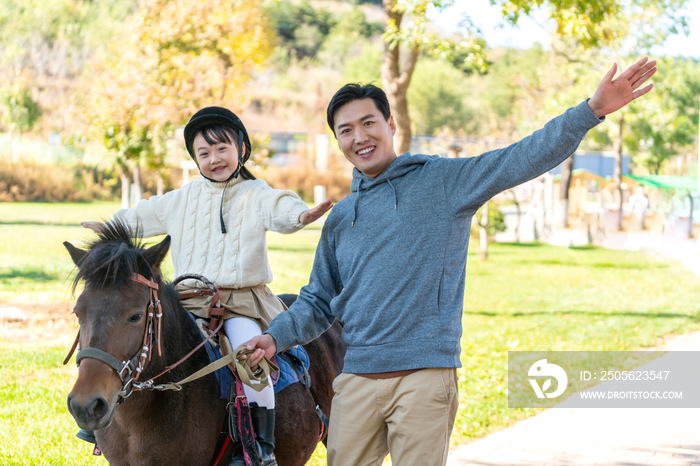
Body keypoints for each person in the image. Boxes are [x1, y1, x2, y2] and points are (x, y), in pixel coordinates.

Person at [241, 57, 657, 465]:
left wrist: (591, 112)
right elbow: (316, 300)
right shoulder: (342, 217)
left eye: (369, 122)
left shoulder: (442, 182)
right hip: (357, 379)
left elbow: (519, 158)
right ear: (339, 142)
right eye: (345, 130)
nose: (359, 137)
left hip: (424, 377)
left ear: (391, 125)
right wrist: (276, 337)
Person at [81, 106, 332, 466]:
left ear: (241, 148)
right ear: (195, 159)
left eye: (222, 149)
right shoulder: (182, 198)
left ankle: (260, 446)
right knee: (137, 347)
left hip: (240, 303)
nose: (214, 159)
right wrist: (108, 224)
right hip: (184, 302)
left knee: (251, 362)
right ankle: (102, 423)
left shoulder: (255, 193)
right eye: (204, 153)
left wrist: (299, 216)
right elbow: (143, 215)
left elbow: (280, 204)